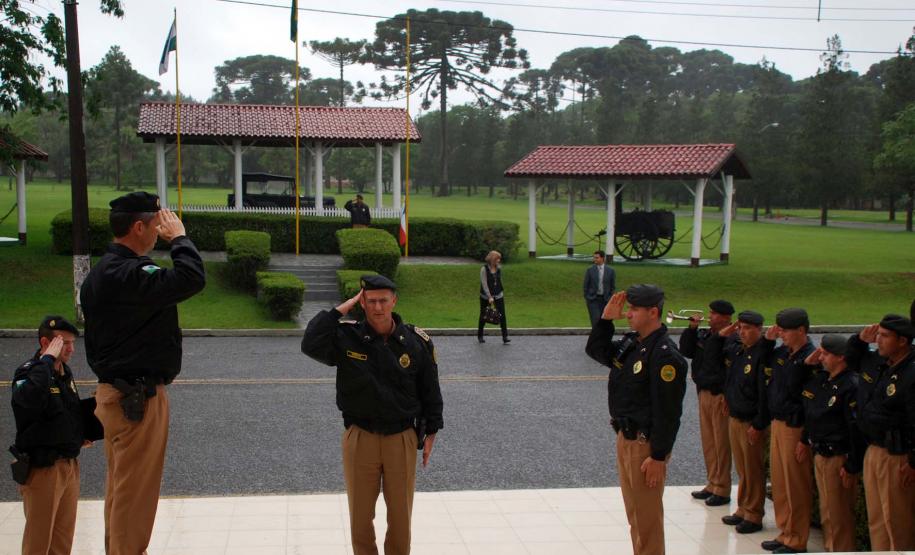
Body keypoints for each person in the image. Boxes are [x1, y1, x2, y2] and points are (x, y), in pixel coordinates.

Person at [80, 191, 206, 555]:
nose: (158, 232)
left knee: (122, 490)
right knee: (135, 496)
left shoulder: (103, 272)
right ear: (138, 227)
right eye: (155, 226)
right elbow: (191, 278)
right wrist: (179, 239)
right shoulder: (128, 273)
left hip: (117, 394)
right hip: (135, 399)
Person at [301, 274, 444, 555]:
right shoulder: (348, 337)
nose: (378, 307)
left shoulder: (415, 342)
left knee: (401, 518)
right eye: (371, 301)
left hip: (401, 437)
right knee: (360, 517)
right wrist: (340, 310)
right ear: (362, 303)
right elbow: (310, 343)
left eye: (383, 300)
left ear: (394, 301)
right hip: (360, 437)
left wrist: (432, 431)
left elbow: (430, 389)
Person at [585, 284, 688, 555]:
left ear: (653, 312)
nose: (628, 314)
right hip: (626, 438)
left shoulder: (664, 355)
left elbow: (668, 412)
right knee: (636, 517)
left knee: (647, 521)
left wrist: (658, 456)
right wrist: (605, 321)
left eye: (634, 309)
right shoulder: (634, 343)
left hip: (645, 447)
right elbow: (597, 351)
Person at [11, 316, 91, 555]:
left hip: (69, 466)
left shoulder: (63, 372)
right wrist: (46, 361)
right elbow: (28, 400)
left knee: (62, 542)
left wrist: (80, 434)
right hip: (44, 469)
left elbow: (67, 410)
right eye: (64, 343)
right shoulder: (29, 371)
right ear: (45, 343)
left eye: (72, 343)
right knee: (38, 543)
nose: (71, 349)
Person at [846, 314, 915, 551]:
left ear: (902, 341)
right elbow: (851, 361)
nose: (878, 340)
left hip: (896, 455)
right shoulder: (881, 363)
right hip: (873, 449)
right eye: (878, 335)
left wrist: (913, 462)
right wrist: (859, 340)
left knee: (897, 522)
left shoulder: (910, 372)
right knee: (876, 521)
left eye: (885, 336)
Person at [797, 334, 863, 553]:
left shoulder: (850, 385)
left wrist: (851, 464)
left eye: (826, 354)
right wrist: (805, 439)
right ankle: (831, 548)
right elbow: (811, 412)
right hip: (821, 453)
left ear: (841, 357)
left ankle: (840, 550)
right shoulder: (824, 380)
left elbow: (854, 428)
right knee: (827, 511)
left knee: (838, 515)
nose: (820, 357)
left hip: (838, 456)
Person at [760, 308, 817, 554]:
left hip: (795, 425)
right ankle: (785, 532)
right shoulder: (783, 352)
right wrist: (767, 341)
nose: (781, 334)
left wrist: (805, 438)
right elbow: (762, 361)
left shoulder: (810, 358)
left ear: (801, 330)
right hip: (778, 422)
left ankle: (797, 538)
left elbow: (799, 392)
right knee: (780, 483)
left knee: (795, 485)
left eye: (785, 330)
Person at [710, 310, 769, 535]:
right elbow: (730, 376)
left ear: (759, 329)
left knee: (753, 470)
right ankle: (743, 508)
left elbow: (763, 394)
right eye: (740, 328)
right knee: (742, 468)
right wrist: (728, 396)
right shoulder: (740, 351)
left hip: (750, 419)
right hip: (735, 415)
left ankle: (753, 513)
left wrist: (759, 424)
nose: (742, 332)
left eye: (748, 328)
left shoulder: (762, 354)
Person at [679, 299, 735, 507]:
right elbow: (687, 350)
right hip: (703, 391)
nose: (709, 316)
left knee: (721, 444)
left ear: (726, 318)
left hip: (719, 394)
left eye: (714, 313)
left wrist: (728, 395)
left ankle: (722, 488)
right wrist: (691, 330)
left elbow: (729, 368)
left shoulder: (731, 338)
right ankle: (712, 482)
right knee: (709, 442)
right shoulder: (705, 335)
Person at [478, 250, 510, 344]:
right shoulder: (484, 269)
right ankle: (480, 335)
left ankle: (505, 336)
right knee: (483, 315)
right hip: (485, 296)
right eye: (497, 259)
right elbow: (484, 284)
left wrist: (500, 292)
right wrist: (489, 296)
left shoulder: (499, 268)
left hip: (498, 295)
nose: (499, 261)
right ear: (493, 259)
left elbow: (498, 281)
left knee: (502, 315)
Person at [583, 250, 615, 326]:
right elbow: (585, 285)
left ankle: (602, 333)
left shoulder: (610, 271)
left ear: (602, 258)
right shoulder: (590, 270)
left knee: (605, 320)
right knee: (595, 319)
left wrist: (610, 297)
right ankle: (596, 333)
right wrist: (587, 297)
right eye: (594, 257)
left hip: (605, 299)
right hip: (593, 299)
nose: (595, 259)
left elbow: (612, 286)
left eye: (597, 258)